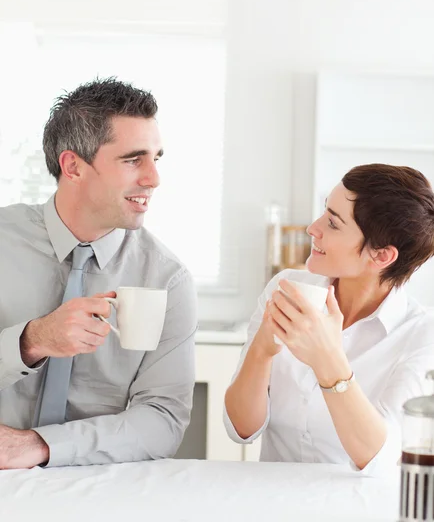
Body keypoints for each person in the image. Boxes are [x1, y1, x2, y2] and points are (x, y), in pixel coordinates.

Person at [0, 78, 197, 468]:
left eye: (156, 158)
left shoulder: (167, 279)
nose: (153, 178)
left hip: (98, 484)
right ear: (73, 166)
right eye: (132, 159)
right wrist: (29, 342)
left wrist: (40, 445)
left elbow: (164, 421)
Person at [224, 164, 434, 476]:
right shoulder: (287, 288)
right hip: (270, 500)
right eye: (325, 212)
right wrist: (262, 349)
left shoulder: (420, 335)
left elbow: (381, 458)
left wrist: (328, 362)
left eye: (333, 224)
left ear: (381, 256)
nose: (313, 228)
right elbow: (241, 428)